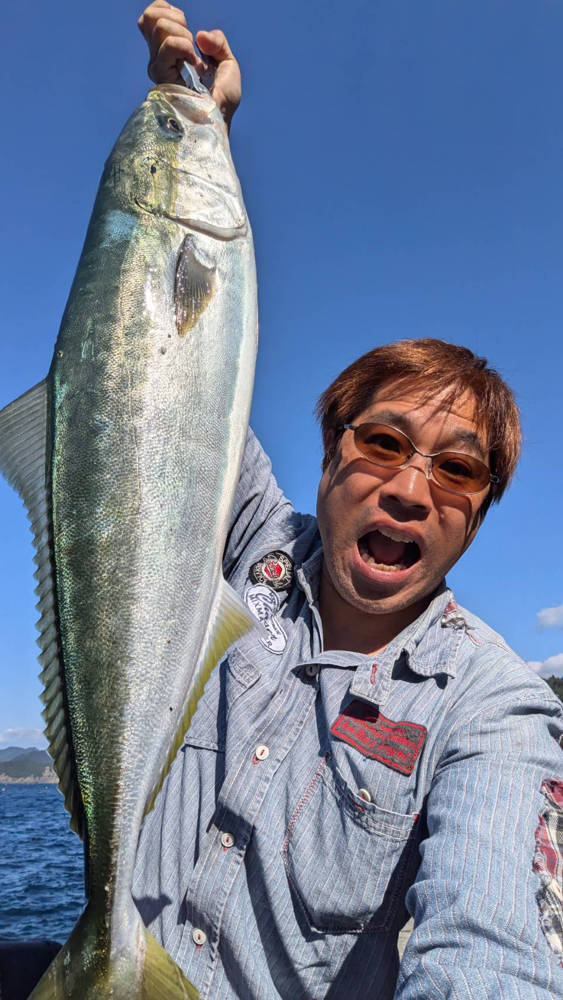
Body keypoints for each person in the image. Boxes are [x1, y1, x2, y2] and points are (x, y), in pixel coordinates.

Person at [133, 5, 563, 998]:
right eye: (380, 443)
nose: (410, 490)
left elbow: (484, 948)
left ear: (478, 511)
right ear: (329, 459)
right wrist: (196, 128)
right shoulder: (248, 542)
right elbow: (170, 368)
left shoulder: (489, 701)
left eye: (457, 471)